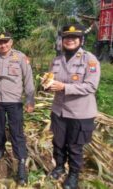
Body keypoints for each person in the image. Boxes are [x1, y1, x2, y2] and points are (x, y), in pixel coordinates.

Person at [48, 24, 100, 189]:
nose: (70, 40)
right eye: (67, 38)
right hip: (59, 110)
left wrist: (64, 87)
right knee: (58, 143)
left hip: (80, 113)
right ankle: (59, 167)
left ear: (81, 40)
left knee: (75, 146)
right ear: (62, 40)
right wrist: (47, 84)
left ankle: (73, 175)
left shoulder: (89, 60)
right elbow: (51, 80)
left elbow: (91, 86)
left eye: (74, 37)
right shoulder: (56, 60)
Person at [0, 32, 35, 186]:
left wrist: (30, 100)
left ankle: (21, 163)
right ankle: (0, 147)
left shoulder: (20, 58)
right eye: (0, 42)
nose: (3, 45)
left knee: (16, 132)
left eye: (5, 42)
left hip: (14, 101)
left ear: (11, 42)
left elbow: (28, 79)